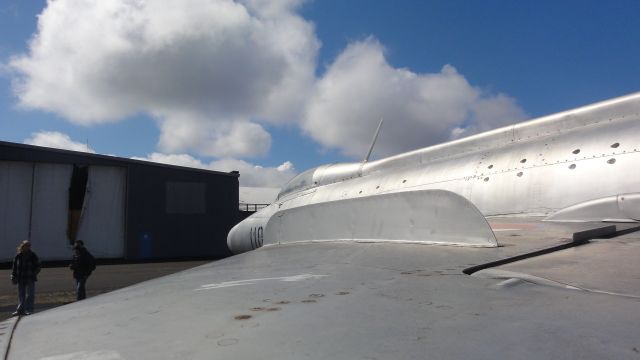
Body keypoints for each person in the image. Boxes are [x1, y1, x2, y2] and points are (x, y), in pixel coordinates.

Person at [10, 240, 41, 316]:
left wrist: (33, 273)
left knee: (30, 294)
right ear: (22, 246)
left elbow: (38, 266)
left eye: (29, 246)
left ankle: (29, 309)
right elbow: (14, 268)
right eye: (26, 245)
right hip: (20, 279)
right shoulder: (18, 256)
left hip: (30, 278)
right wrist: (13, 276)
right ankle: (20, 310)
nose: (28, 247)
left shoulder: (32, 255)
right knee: (21, 295)